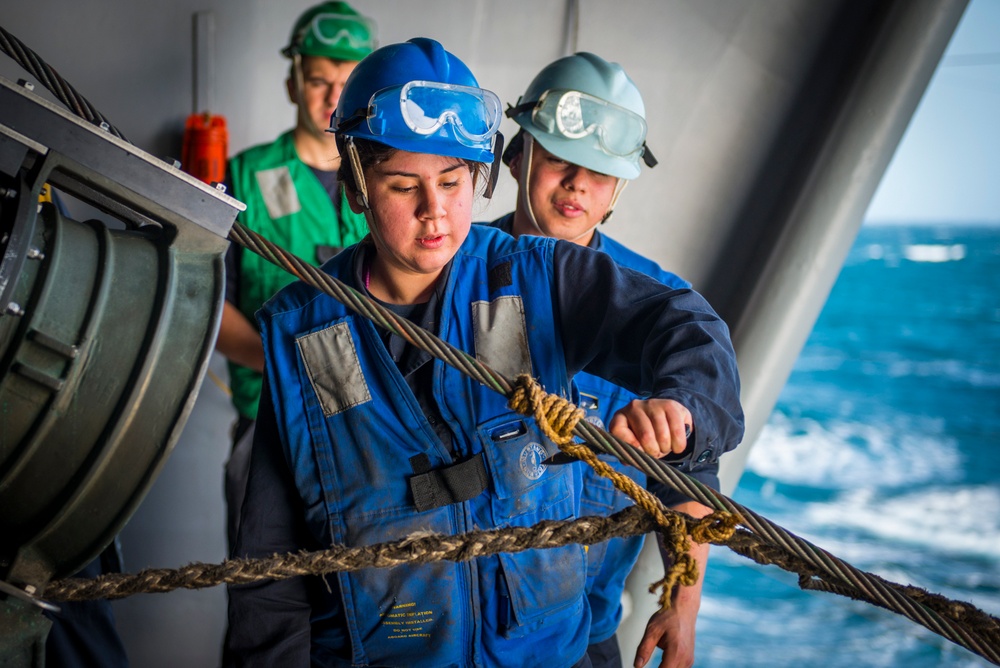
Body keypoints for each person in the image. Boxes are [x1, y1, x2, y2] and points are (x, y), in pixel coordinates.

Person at [225, 37, 743, 668]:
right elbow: (269, 566)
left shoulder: (536, 279)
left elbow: (683, 324)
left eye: (452, 180)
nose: (433, 211)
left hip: (547, 649)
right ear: (357, 184)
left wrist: (683, 407)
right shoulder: (302, 333)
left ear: (481, 176)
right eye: (401, 184)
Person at [490, 52, 722, 668]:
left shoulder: (652, 305)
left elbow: (692, 475)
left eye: (599, 171)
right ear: (517, 158)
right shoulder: (453, 280)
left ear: (617, 188)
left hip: (584, 635)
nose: (578, 184)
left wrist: (683, 607)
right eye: (560, 159)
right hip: (456, 626)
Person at [215, 1, 377, 550]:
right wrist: (284, 364)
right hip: (267, 429)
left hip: (369, 432)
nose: (333, 97)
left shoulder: (389, 180)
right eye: (317, 80)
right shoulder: (245, 174)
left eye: (347, 82)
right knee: (262, 601)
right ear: (292, 84)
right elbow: (207, 303)